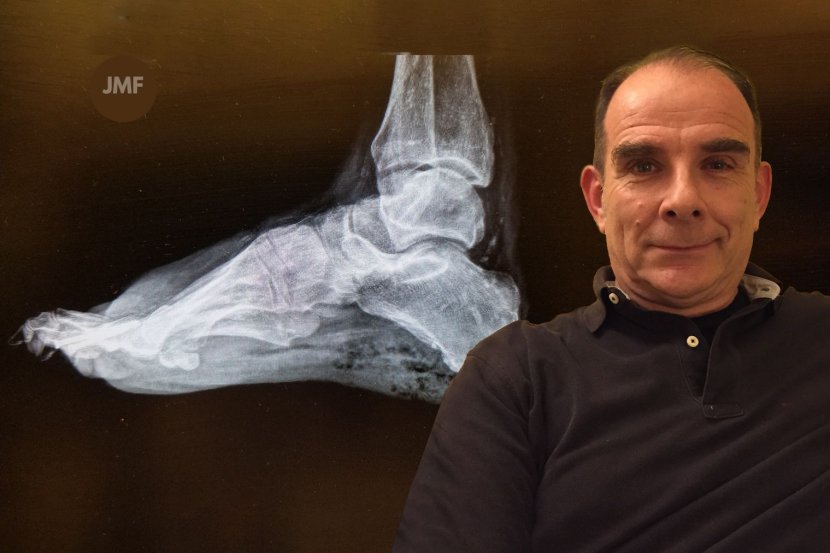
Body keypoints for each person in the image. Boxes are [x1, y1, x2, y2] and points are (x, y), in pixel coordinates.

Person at [391, 46, 830, 552]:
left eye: (717, 163)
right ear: (598, 199)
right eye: (644, 165)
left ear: (759, 194)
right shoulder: (514, 380)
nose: (683, 200)